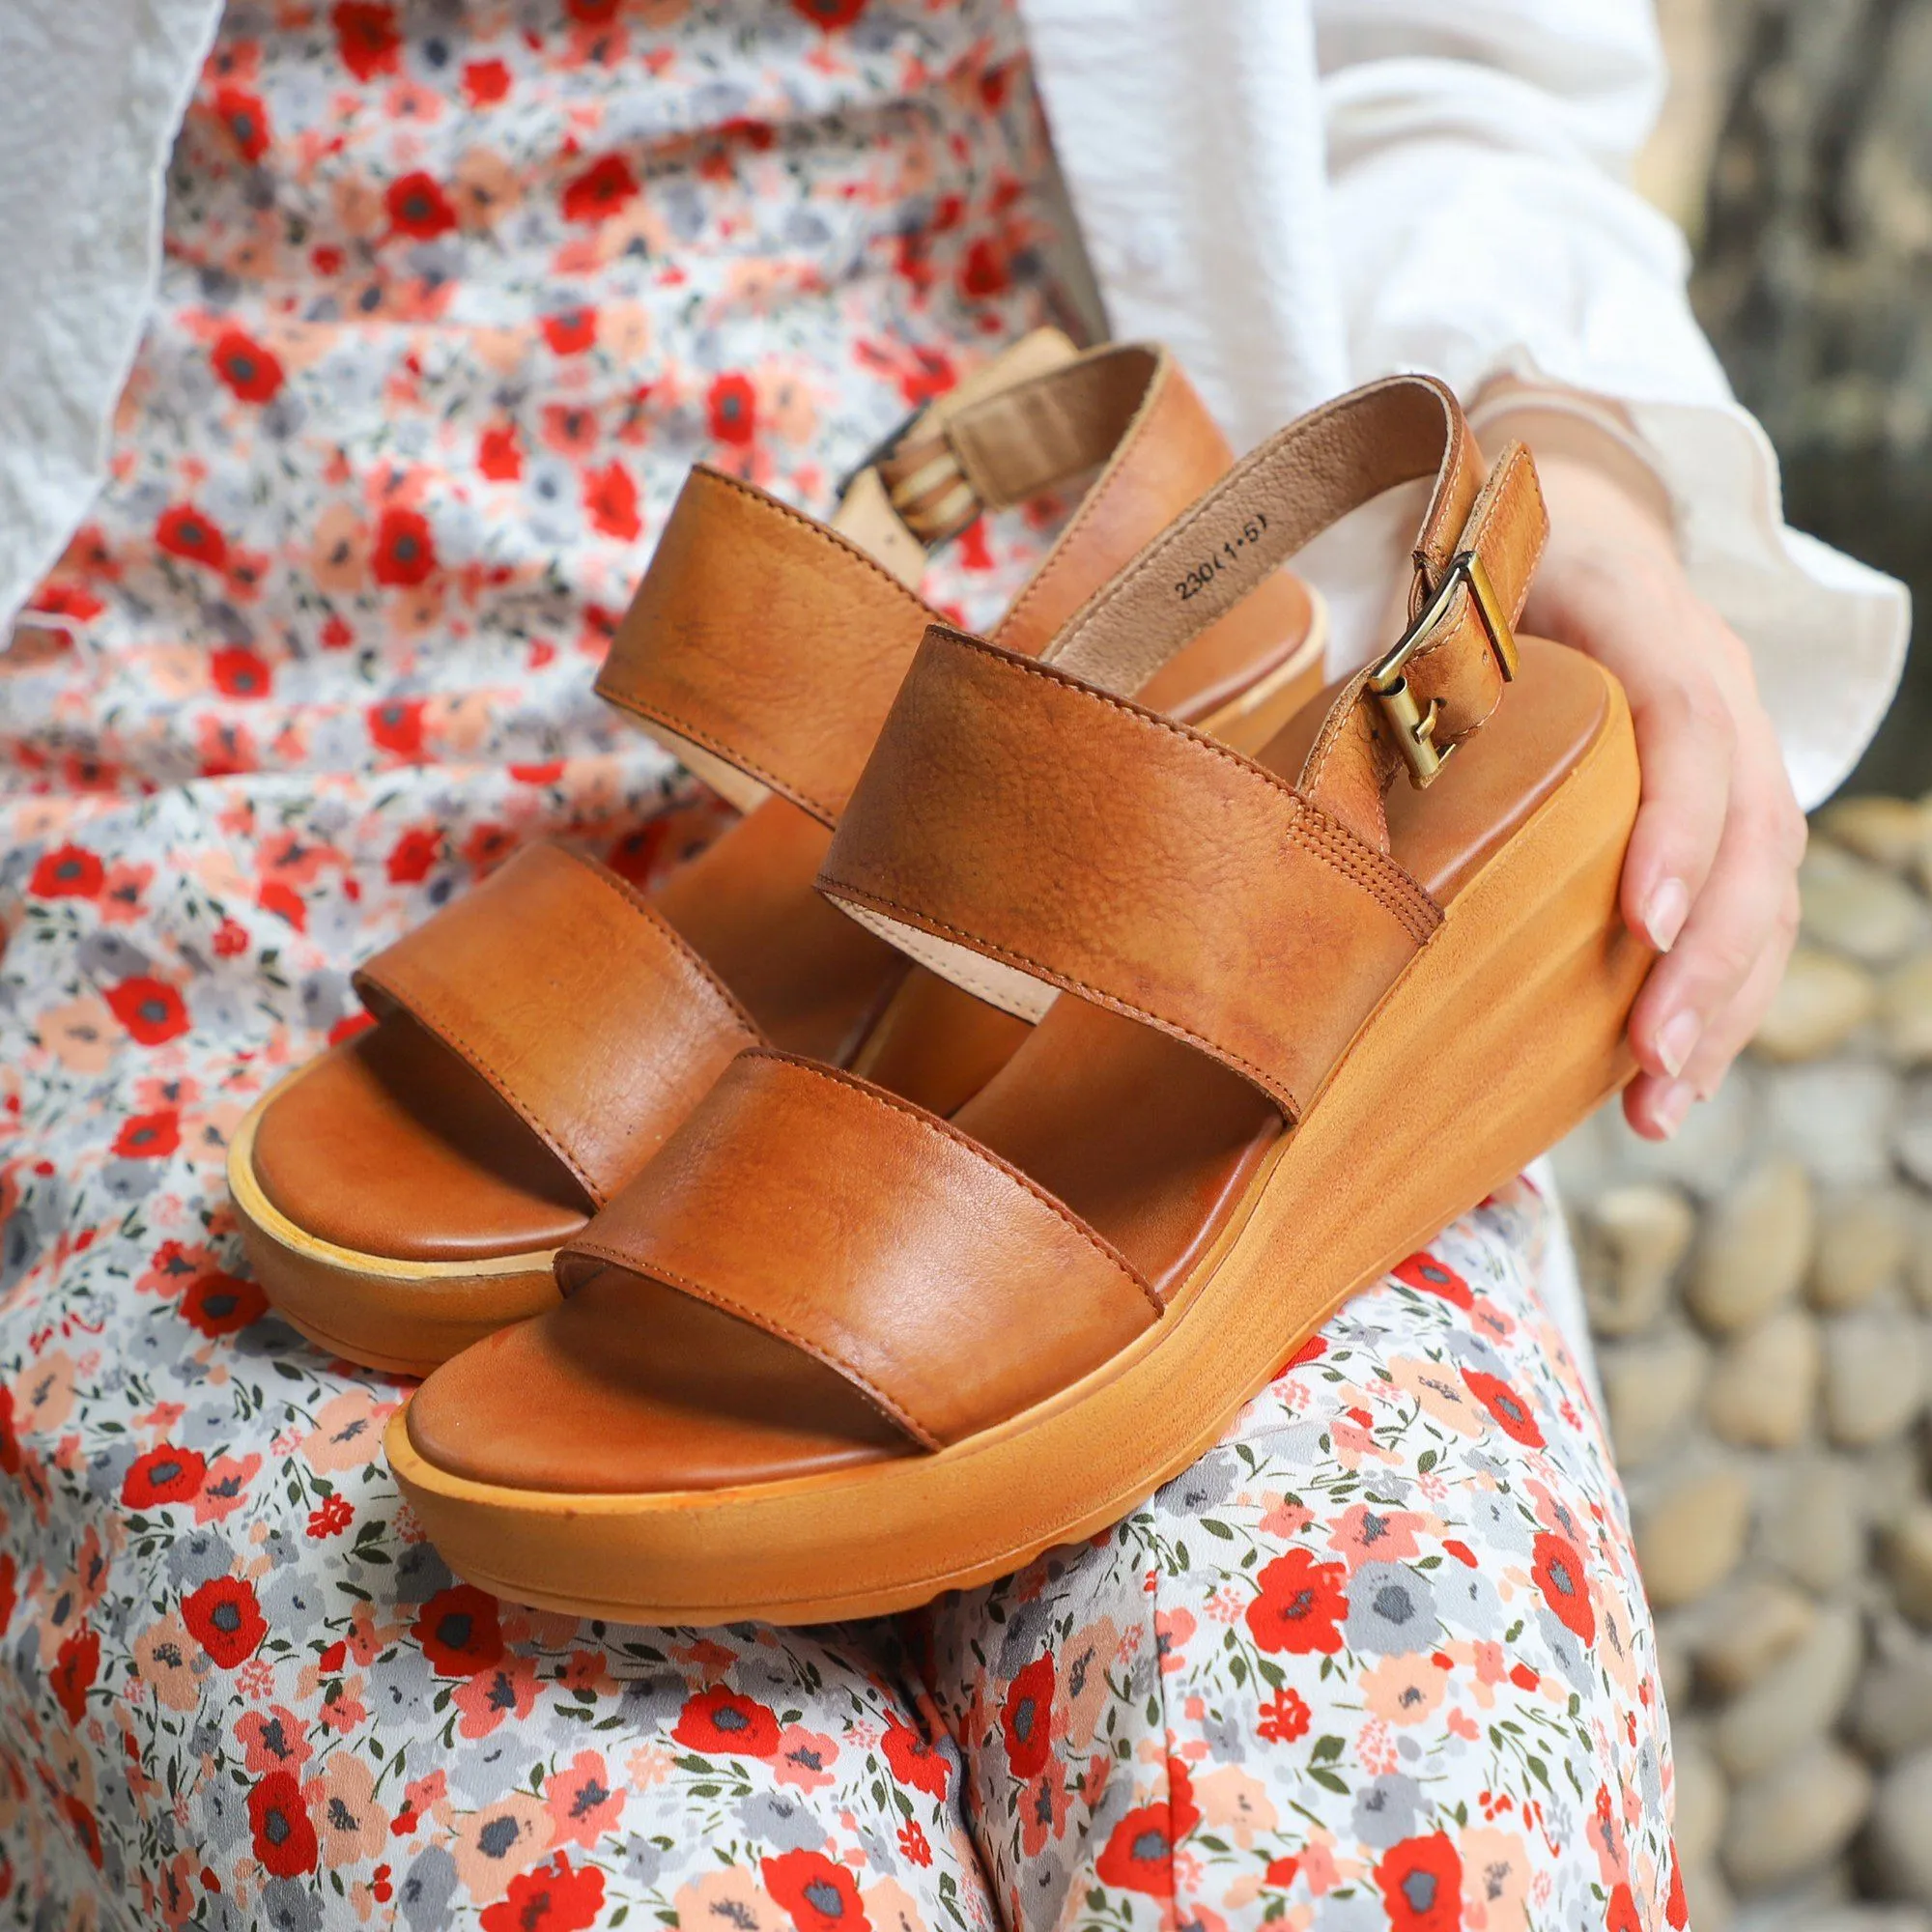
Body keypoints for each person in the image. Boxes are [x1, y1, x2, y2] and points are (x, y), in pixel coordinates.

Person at [0, 3, 1904, 1928]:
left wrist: (1569, 451)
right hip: (186, 698)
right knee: (625, 1871)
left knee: (1382, 1801)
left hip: (1015, 644)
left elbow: (1435, 66)